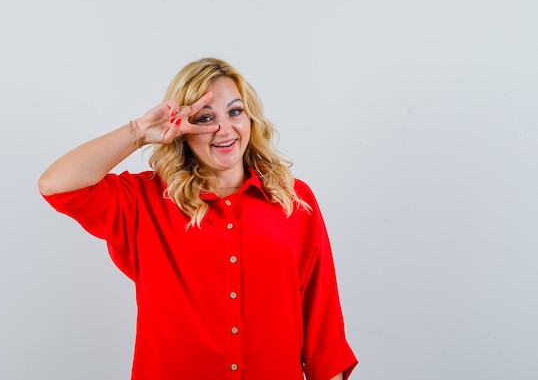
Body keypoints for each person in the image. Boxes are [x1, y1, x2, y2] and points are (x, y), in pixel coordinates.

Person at [38, 57, 357, 380]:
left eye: (235, 112)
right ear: (183, 130)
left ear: (250, 118)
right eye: (205, 118)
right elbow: (56, 184)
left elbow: (322, 322)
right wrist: (139, 132)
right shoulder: (143, 200)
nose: (224, 129)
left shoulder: (293, 198)